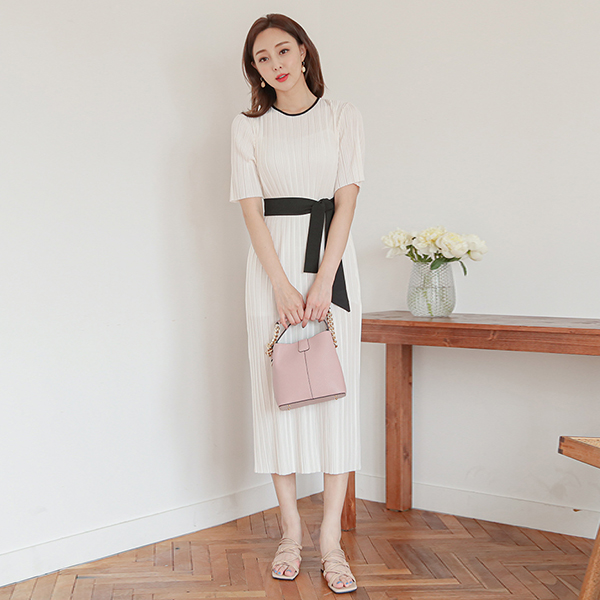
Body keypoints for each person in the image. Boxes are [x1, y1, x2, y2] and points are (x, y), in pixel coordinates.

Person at [229, 13, 365, 594]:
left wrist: (321, 279)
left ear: (304, 52)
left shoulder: (342, 117)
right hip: (271, 270)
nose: (276, 64)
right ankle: (290, 531)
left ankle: (331, 541)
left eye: (283, 50)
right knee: (276, 396)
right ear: (255, 71)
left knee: (336, 396)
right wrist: (282, 284)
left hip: (331, 265)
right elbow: (251, 210)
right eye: (262, 58)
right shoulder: (247, 128)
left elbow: (346, 200)